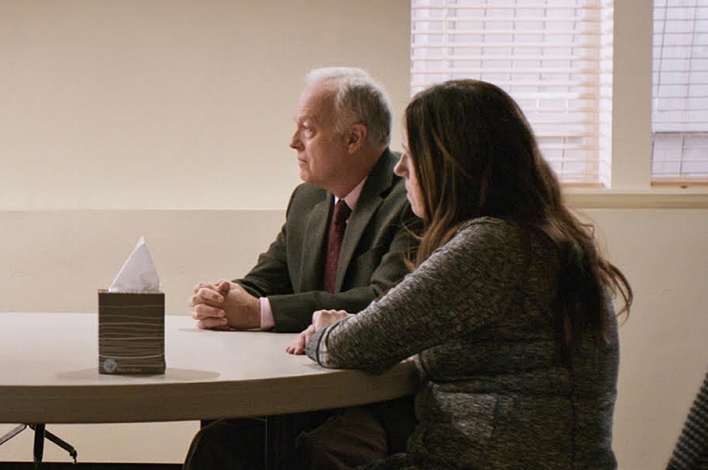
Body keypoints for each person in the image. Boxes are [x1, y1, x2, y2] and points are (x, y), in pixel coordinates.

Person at [290, 79, 632, 469]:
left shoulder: (492, 247)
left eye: (412, 154)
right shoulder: (543, 238)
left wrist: (327, 329)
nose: (400, 167)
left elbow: (351, 346)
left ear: (451, 163)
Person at [184, 67, 421, 469]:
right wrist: (223, 297)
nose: (293, 141)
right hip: (304, 383)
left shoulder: (411, 195)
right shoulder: (308, 198)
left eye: (307, 129)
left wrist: (259, 311)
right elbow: (267, 278)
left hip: (371, 398)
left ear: (353, 138)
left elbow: (384, 302)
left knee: (287, 449)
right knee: (218, 439)